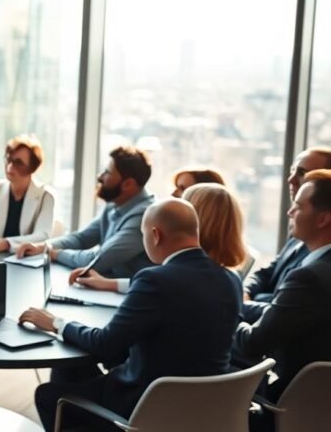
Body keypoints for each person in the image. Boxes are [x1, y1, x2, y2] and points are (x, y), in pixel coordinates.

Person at [20, 198, 242, 431]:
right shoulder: (230, 280)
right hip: (203, 407)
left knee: (48, 395)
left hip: (145, 406)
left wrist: (55, 323)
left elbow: (105, 344)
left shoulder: (155, 280)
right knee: (70, 368)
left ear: (155, 235)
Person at [234, 170, 331, 405]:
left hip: (291, 402)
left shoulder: (310, 278)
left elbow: (253, 343)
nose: (290, 212)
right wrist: (241, 305)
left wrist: (222, 314)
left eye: (298, 206)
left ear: (323, 219)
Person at [76, 182, 247, 293]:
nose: (173, 196)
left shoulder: (177, 276)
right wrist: (107, 284)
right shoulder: (229, 280)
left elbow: (160, 286)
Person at [16, 146, 155, 279]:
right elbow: (81, 238)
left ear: (128, 184)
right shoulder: (116, 203)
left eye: (108, 173)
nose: (100, 177)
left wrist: (55, 254)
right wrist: (44, 246)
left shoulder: (145, 216)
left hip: (129, 296)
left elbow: (97, 260)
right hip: (104, 286)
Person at [242, 147, 331, 322]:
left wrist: (244, 303)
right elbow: (268, 272)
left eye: (302, 172)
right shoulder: (300, 232)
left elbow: (289, 310)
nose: (291, 179)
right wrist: (246, 292)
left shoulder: (322, 249)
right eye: (292, 171)